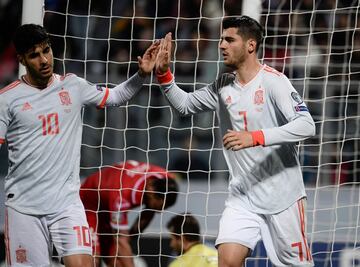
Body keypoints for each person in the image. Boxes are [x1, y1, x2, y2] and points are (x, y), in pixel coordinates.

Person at [155, 16, 315, 266]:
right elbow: (184, 105)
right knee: (227, 261)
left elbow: (307, 125)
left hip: (283, 197)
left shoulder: (274, 81)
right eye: (221, 39)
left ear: (250, 45)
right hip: (243, 196)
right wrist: (164, 74)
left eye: (229, 39)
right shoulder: (223, 84)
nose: (221, 45)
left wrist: (255, 137)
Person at [0, 24, 160, 267]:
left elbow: (115, 96)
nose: (44, 60)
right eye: (34, 55)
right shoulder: (7, 99)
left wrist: (141, 75)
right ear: (21, 59)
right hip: (24, 208)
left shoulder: (73, 86)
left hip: (66, 204)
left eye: (46, 50)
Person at [80, 160, 178, 267]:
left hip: (108, 206)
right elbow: (121, 239)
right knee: (93, 260)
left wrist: (132, 234)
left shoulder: (166, 179)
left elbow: (150, 210)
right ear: (151, 191)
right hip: (89, 205)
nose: (161, 211)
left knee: (117, 262)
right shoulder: (122, 197)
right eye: (159, 206)